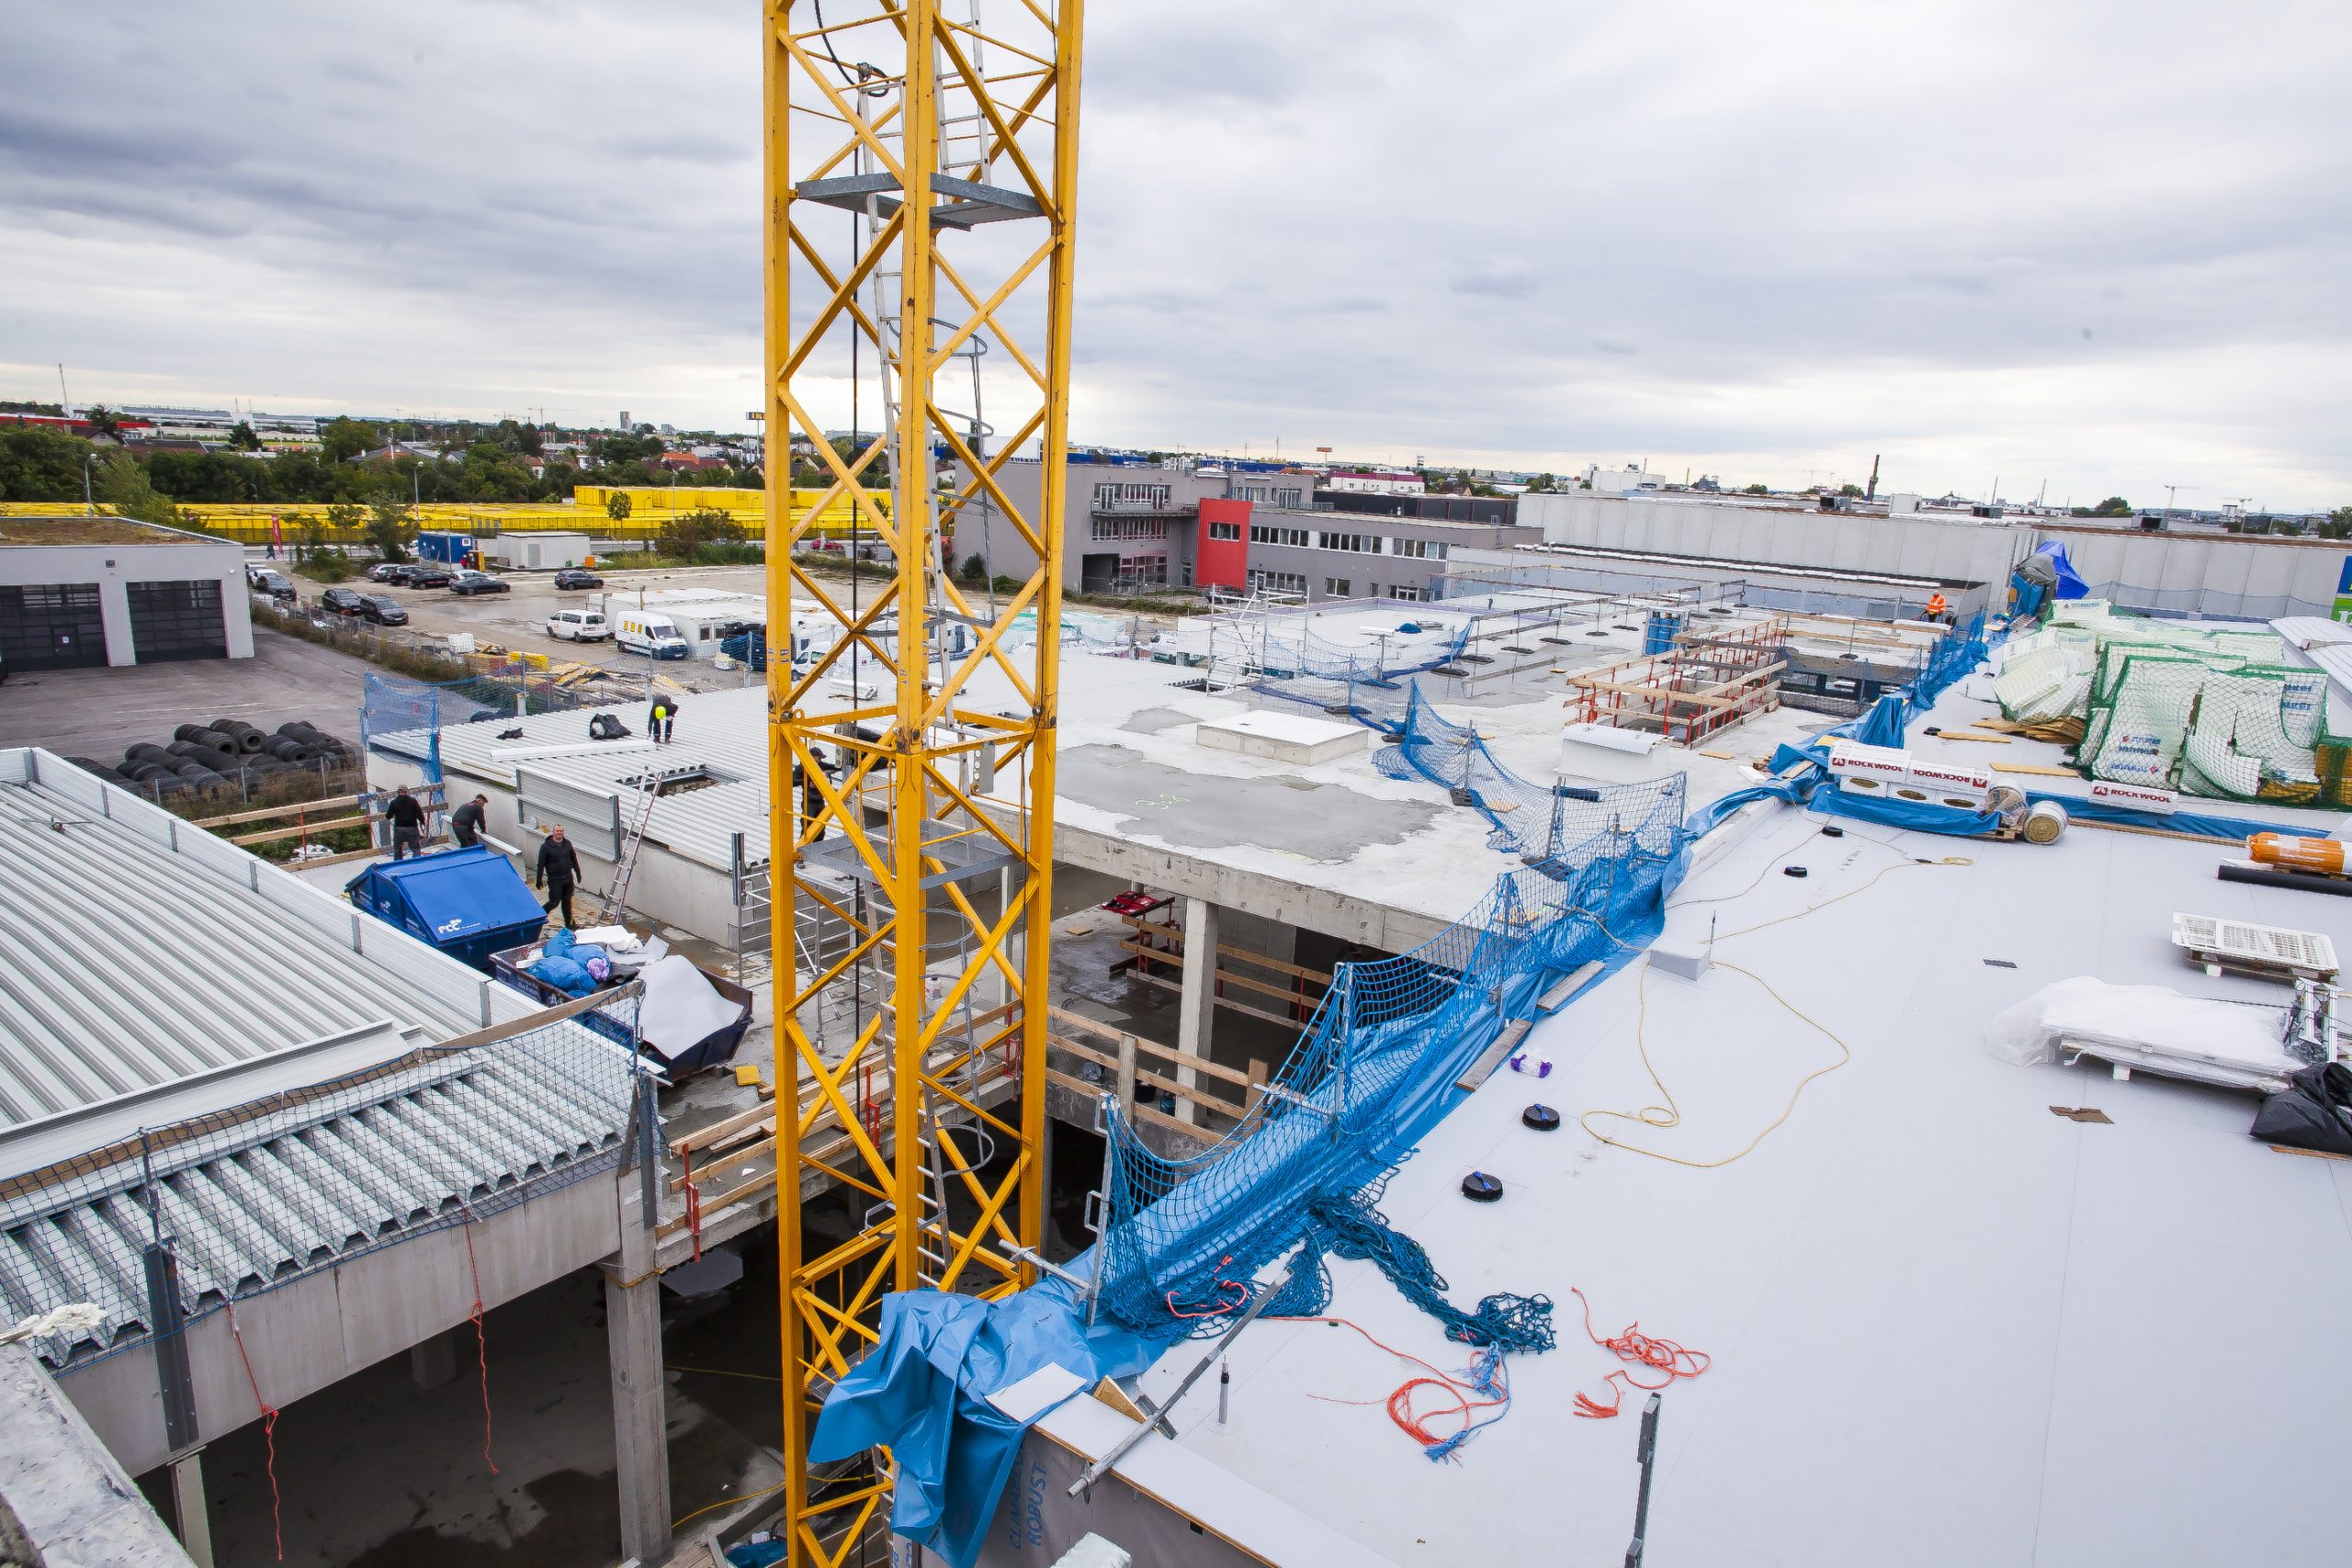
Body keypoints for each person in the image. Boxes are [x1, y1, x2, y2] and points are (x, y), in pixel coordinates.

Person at [536, 824, 581, 929]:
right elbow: (540, 864)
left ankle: (570, 924)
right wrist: (539, 880)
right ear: (553, 832)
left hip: (568, 878)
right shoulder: (546, 847)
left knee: (567, 903)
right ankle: (539, 918)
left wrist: (578, 873)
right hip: (555, 879)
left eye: (561, 831)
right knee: (554, 902)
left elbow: (573, 859)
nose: (559, 833)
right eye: (557, 831)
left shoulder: (567, 844)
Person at [384, 784, 425, 860]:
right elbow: (419, 813)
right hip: (412, 827)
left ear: (398, 792)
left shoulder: (394, 802)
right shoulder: (413, 801)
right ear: (407, 791)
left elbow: (388, 816)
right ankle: (416, 864)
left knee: (398, 849)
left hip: (399, 828)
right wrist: (422, 822)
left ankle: (399, 865)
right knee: (415, 849)